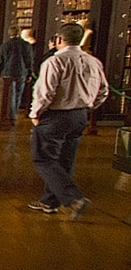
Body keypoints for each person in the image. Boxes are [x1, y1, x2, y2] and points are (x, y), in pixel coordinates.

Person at [27, 21, 109, 219]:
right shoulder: (93, 61)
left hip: (55, 116)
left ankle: (75, 199)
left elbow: (45, 93)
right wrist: (87, 107)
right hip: (80, 116)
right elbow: (103, 91)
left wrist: (35, 114)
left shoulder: (54, 62)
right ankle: (50, 202)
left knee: (44, 158)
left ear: (58, 40)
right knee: (65, 160)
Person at [0, 27, 35, 124]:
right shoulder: (26, 45)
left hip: (7, 73)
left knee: (10, 95)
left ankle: (10, 116)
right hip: (21, 72)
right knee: (18, 94)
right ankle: (14, 115)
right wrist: (29, 74)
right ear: (19, 33)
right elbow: (29, 61)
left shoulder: (5, 45)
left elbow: (0, 61)